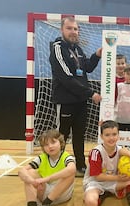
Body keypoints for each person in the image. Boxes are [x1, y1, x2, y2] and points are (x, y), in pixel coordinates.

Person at [49, 16, 102, 176]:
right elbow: (66, 77)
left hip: (81, 101)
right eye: (69, 28)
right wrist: (90, 93)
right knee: (61, 135)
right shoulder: (57, 48)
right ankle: (57, 164)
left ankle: (80, 164)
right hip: (65, 101)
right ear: (62, 30)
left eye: (75, 29)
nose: (73, 32)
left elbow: (87, 67)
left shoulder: (77, 49)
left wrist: (97, 55)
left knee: (79, 134)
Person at [8, 129, 76, 206]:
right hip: (45, 191)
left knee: (70, 174)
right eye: (46, 144)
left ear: (61, 143)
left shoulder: (66, 157)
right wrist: (32, 181)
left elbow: (72, 169)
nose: (50, 146)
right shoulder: (42, 158)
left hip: (61, 193)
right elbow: (21, 171)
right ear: (43, 148)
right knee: (29, 172)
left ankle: (46, 205)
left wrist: (46, 179)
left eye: (53, 142)